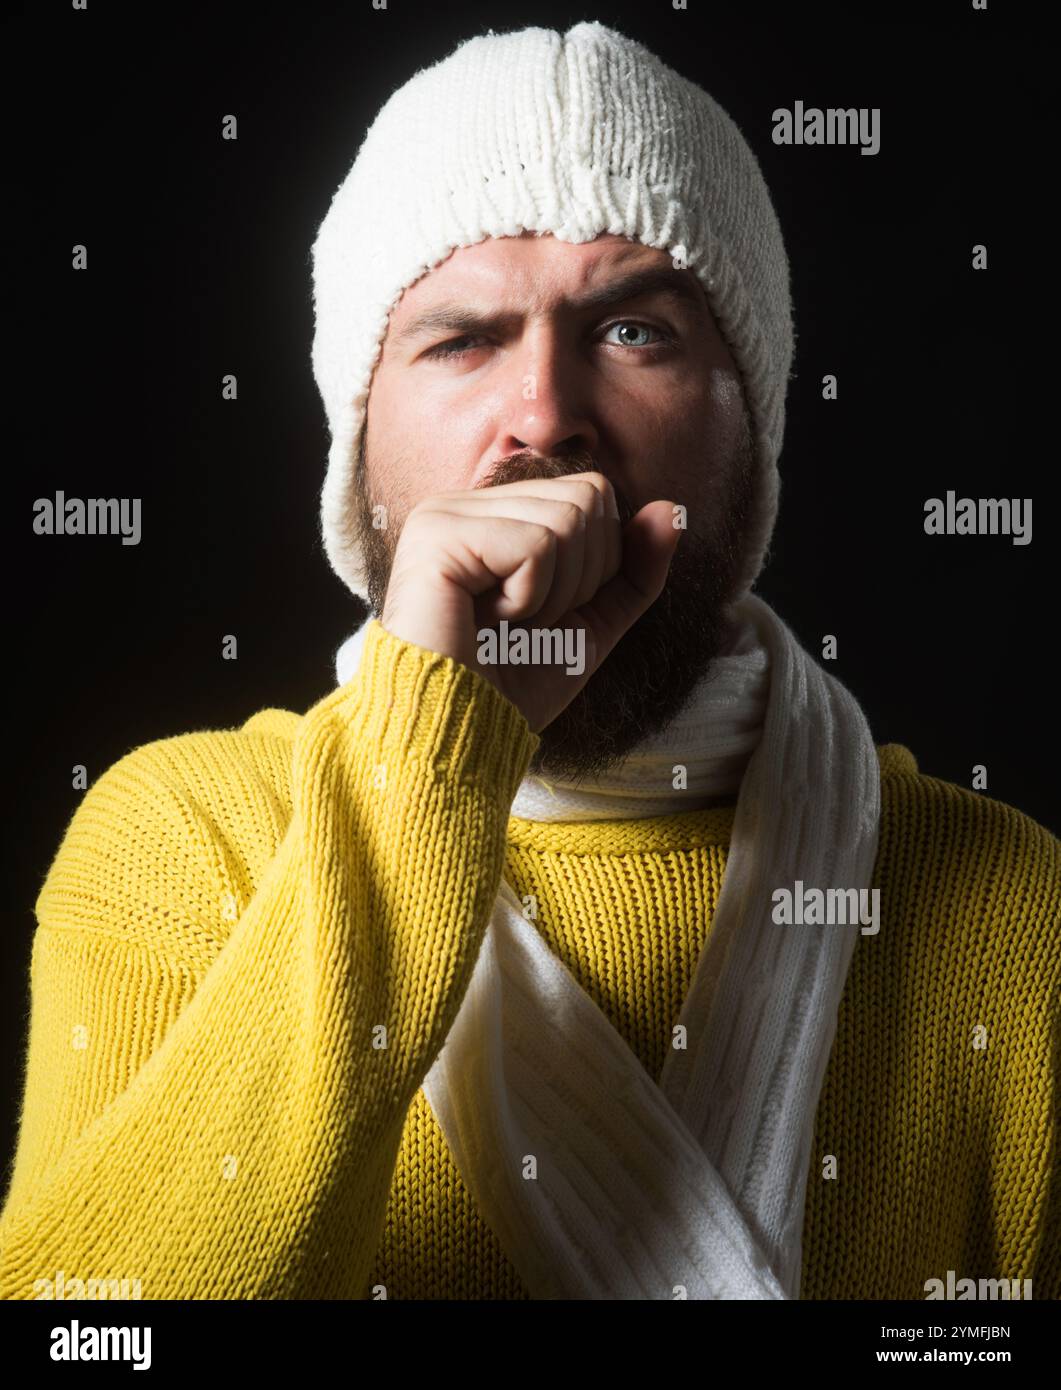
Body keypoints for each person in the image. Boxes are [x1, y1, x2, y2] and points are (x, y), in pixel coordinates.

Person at [2, 21, 1057, 1302]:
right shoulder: (179, 839)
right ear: (360, 447)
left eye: (634, 334)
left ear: (750, 422)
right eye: (460, 339)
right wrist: (429, 758)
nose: (545, 412)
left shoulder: (1006, 904)